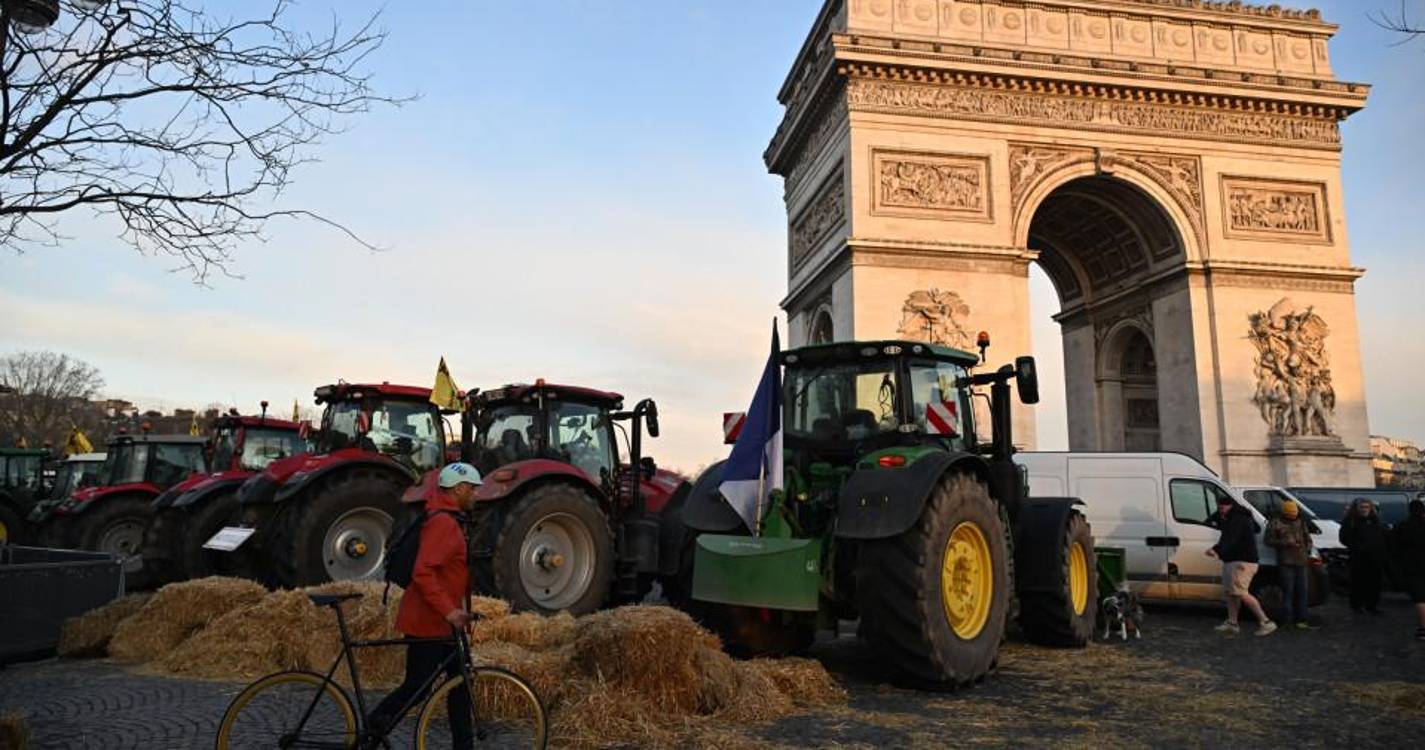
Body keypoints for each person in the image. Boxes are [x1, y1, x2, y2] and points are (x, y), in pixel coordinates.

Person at [367, 462, 481, 744]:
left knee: (460, 685)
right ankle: (370, 730)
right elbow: (423, 571)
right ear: (458, 489)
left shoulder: (448, 518)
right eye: (472, 489)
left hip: (442, 623)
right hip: (430, 621)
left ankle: (463, 745)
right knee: (417, 687)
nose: (476, 494)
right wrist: (450, 611)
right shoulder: (443, 523)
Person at [1207, 494, 1276, 636]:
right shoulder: (1240, 516)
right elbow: (1255, 529)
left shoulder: (1237, 519)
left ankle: (1266, 622)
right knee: (1231, 593)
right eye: (1219, 507)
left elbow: (1231, 538)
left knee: (1241, 593)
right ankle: (1232, 623)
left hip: (1241, 562)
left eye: (1223, 507)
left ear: (1231, 506)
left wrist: (1216, 549)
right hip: (1235, 560)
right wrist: (1220, 516)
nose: (1221, 510)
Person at [1265, 499, 1314, 629]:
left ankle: (1301, 620)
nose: (1293, 517)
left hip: (1301, 561)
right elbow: (1268, 540)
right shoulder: (1275, 523)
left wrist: (1307, 547)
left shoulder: (1301, 521)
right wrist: (1286, 543)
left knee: (1302, 592)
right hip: (1286, 562)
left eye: (1294, 515)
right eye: (1290, 515)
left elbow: (1307, 538)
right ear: (1284, 513)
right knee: (1288, 592)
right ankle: (1286, 620)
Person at [1340, 498, 1388, 614]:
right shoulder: (1350, 521)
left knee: (1374, 582)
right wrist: (1357, 547)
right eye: (1362, 507)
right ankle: (1357, 606)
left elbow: (1381, 535)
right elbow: (1344, 537)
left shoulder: (1375, 520)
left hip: (1375, 557)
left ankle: (1372, 605)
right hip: (1358, 558)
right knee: (1358, 582)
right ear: (1357, 509)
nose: (1364, 510)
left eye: (1367, 507)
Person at [1391, 498, 1425, 640]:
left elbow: (1393, 546)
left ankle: (1424, 629)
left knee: (1420, 598)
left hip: (1413, 565)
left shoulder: (1403, 526)